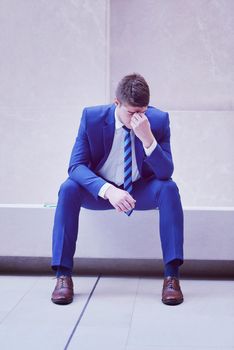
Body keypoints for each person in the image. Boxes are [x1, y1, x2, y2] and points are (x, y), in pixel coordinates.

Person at [51, 73, 184, 306]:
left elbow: (165, 173)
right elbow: (76, 166)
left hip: (138, 191)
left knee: (169, 189)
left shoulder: (158, 120)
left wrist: (148, 139)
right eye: (132, 112)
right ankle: (63, 275)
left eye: (142, 111)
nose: (138, 118)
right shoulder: (91, 117)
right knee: (68, 189)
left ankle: (171, 277)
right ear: (117, 103)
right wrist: (108, 190)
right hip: (102, 192)